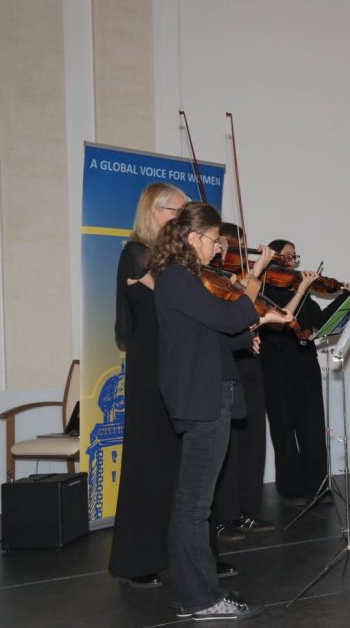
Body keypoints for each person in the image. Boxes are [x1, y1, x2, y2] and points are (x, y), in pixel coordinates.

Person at [150, 202, 292, 621]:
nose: (219, 250)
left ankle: (193, 591)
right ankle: (199, 599)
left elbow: (210, 334)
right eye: (215, 241)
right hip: (202, 396)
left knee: (195, 502)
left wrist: (247, 335)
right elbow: (227, 317)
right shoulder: (178, 278)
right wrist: (257, 310)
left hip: (206, 390)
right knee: (195, 505)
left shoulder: (184, 279)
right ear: (194, 239)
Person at [109, 183, 188, 588]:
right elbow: (172, 300)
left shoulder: (168, 261)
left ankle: (170, 552)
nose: (183, 217)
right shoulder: (135, 255)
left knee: (171, 468)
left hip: (171, 369)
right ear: (157, 211)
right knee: (146, 465)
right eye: (179, 210)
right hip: (148, 372)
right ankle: (134, 560)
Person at [259, 240, 350, 505]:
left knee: (312, 426)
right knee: (283, 427)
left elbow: (321, 322)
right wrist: (302, 288)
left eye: (294, 256)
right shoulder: (261, 288)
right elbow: (279, 321)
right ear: (271, 259)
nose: (292, 261)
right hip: (275, 366)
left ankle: (318, 484)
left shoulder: (300, 292)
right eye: (286, 256)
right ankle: (291, 488)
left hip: (305, 364)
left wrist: (345, 297)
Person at [211, 223, 275, 540]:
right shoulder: (210, 277)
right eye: (227, 244)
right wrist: (255, 272)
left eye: (240, 244)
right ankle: (223, 517)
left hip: (250, 363)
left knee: (253, 443)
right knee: (228, 449)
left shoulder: (236, 278)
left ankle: (248, 512)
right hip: (227, 364)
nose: (234, 251)